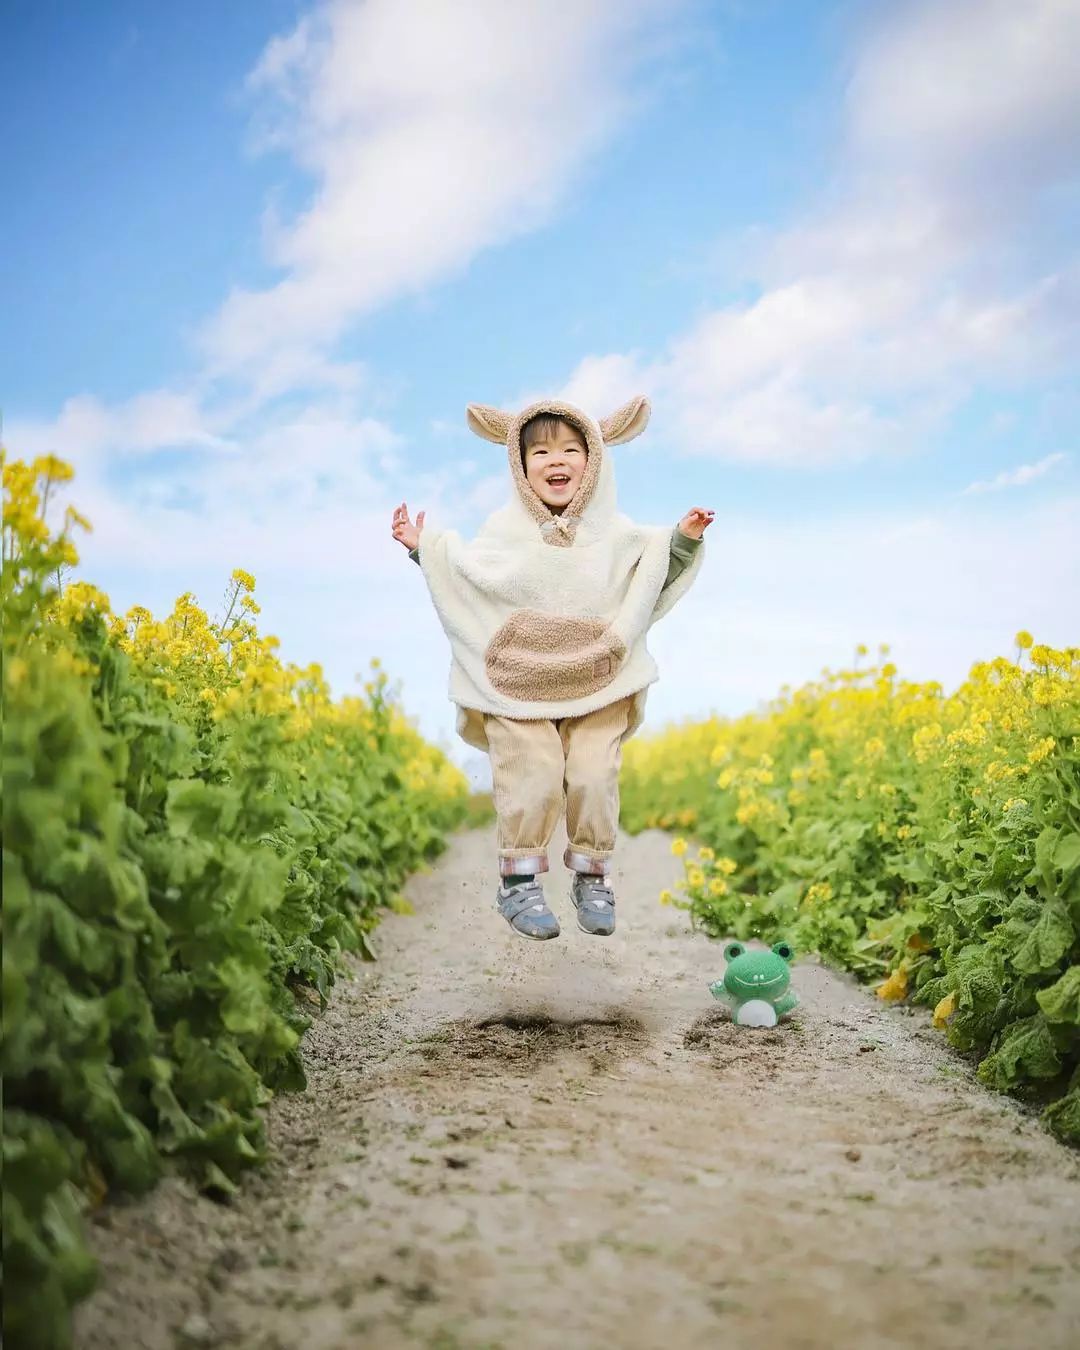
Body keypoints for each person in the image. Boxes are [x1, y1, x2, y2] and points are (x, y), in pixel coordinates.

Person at [390, 396, 711, 941]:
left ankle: (592, 873)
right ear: (518, 465)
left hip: (597, 677)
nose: (554, 460)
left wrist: (682, 541)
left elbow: (651, 571)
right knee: (532, 772)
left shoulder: (616, 535)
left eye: (569, 448)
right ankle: (519, 880)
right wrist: (426, 550)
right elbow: (470, 578)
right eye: (538, 450)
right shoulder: (503, 534)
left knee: (592, 772)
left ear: (594, 459)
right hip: (519, 679)